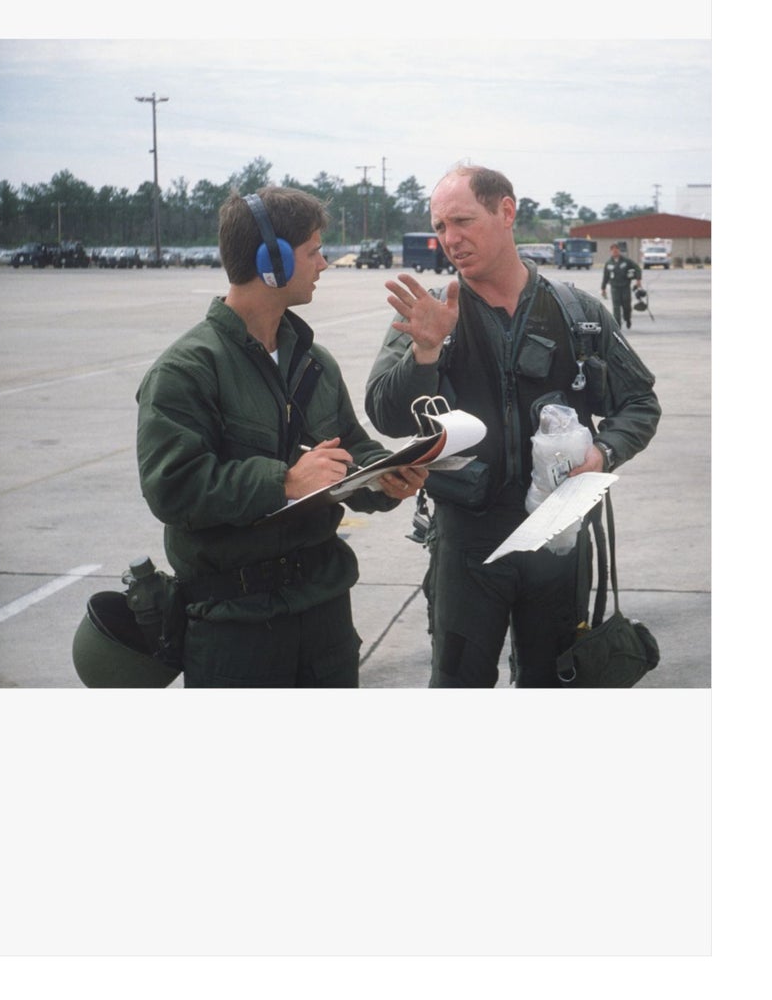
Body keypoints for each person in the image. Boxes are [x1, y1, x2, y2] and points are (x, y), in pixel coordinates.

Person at [365, 165, 660, 688]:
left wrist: (603, 455)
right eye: (440, 227)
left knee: (554, 685)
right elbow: (385, 414)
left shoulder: (577, 314)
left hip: (560, 540)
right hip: (466, 546)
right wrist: (425, 351)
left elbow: (638, 402)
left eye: (463, 221)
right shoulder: (430, 315)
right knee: (459, 685)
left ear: (506, 212)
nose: (450, 240)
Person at [136, 187, 428, 688]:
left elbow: (351, 448)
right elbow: (173, 487)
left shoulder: (314, 361)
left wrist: (388, 477)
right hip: (236, 628)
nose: (324, 263)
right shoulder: (187, 369)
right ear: (271, 260)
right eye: (314, 251)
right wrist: (284, 481)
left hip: (324, 617)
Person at [601, 242, 642, 330]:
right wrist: (603, 288)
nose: (615, 252)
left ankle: (627, 319)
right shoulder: (609, 263)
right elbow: (605, 276)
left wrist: (638, 280)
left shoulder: (626, 261)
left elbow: (637, 268)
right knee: (616, 307)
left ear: (619, 251)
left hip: (625, 287)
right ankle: (617, 325)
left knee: (626, 306)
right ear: (610, 251)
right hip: (615, 287)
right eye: (613, 250)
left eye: (616, 250)